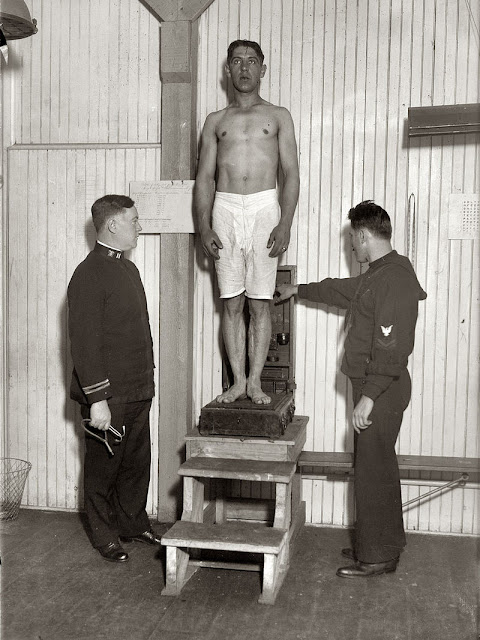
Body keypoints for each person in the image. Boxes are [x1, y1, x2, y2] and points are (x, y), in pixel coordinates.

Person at [275, 201, 427, 578]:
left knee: (373, 470)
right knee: (375, 467)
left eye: (352, 242)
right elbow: (342, 291)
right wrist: (298, 289)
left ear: (363, 235)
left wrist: (369, 397)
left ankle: (376, 557)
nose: (351, 249)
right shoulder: (380, 273)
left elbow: (392, 347)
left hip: (382, 390)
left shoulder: (393, 278)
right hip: (375, 387)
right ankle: (376, 543)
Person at [195, 39, 299, 405]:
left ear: (262, 70)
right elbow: (204, 179)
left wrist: (285, 222)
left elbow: (291, 174)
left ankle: (255, 382)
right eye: (237, 61)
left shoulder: (278, 116)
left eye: (252, 61)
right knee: (232, 303)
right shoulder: (215, 122)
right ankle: (237, 380)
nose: (244, 68)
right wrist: (204, 227)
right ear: (227, 69)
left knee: (259, 304)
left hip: (263, 208)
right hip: (224, 209)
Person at [67, 194, 161, 563]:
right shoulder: (88, 274)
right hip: (109, 395)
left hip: (138, 388)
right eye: (134, 220)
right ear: (112, 225)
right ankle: (104, 534)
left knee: (136, 464)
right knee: (103, 468)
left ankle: (133, 523)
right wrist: (97, 399)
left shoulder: (129, 269)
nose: (139, 226)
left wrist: (147, 383)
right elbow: (85, 344)